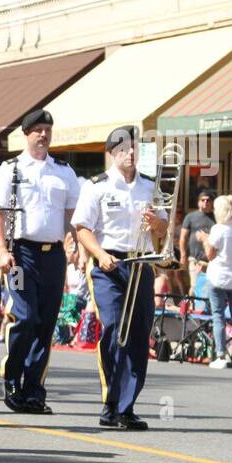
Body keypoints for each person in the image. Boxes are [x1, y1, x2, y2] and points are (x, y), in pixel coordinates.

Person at [72, 126, 168, 430]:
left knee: (139, 334)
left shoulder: (150, 187)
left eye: (136, 148)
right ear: (113, 152)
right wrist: (99, 254)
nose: (131, 154)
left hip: (141, 264)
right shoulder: (96, 186)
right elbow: (82, 228)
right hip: (108, 265)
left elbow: (163, 230)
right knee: (115, 329)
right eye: (125, 148)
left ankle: (127, 407)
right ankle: (110, 401)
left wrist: (156, 224)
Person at [0, 109, 80, 413]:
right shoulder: (11, 169)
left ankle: (34, 390)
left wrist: (75, 245)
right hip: (20, 255)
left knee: (45, 323)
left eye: (47, 130)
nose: (43, 135)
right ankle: (12, 377)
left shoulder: (64, 172)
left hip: (52, 257)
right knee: (24, 316)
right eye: (38, 129)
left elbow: (71, 217)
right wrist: (2, 251)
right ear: (26, 134)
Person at [199, 193, 232, 370]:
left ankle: (221, 356)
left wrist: (205, 240)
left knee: (218, 316)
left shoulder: (218, 229)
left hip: (219, 277)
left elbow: (210, 255)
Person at [178, 188, 215, 269]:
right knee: (195, 282)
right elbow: (183, 237)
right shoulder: (190, 217)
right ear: (198, 202)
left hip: (213, 261)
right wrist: (183, 255)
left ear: (212, 202)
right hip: (195, 261)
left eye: (208, 200)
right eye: (203, 200)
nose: (205, 202)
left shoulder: (217, 217)